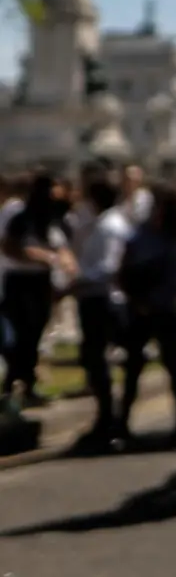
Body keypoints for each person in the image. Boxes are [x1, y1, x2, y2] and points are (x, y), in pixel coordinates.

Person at [119, 185, 176, 445]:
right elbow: (125, 269)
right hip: (141, 309)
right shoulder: (142, 235)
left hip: (166, 310)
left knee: (174, 366)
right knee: (133, 367)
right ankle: (122, 423)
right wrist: (137, 300)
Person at [1, 174, 75, 406]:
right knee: (20, 335)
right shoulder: (20, 217)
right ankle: (15, 381)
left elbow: (60, 244)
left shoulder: (50, 218)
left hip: (41, 282)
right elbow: (13, 246)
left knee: (34, 335)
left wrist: (65, 261)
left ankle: (26, 382)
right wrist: (44, 257)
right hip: (20, 281)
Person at [71, 176, 134, 449]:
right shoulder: (101, 223)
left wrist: (79, 278)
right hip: (93, 296)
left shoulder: (111, 226)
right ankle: (106, 415)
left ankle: (110, 418)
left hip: (102, 299)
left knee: (99, 359)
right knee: (94, 360)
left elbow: (109, 267)